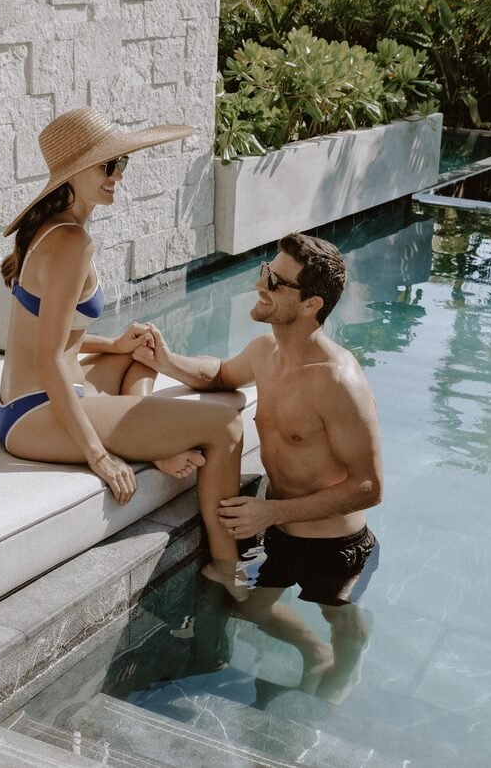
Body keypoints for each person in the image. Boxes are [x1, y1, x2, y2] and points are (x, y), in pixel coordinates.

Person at [0, 106, 245, 589]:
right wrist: (99, 457)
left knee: (137, 352)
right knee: (228, 426)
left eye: (122, 164)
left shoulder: (53, 231)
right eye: (108, 165)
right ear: (71, 175)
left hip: (19, 405)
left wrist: (113, 343)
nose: (118, 176)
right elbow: (48, 359)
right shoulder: (71, 244)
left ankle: (150, 439)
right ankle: (225, 566)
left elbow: (50, 336)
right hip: (38, 414)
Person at [131, 232, 382, 700]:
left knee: (341, 621)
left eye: (274, 281)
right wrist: (165, 360)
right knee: (250, 610)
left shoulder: (338, 381)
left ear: (311, 305)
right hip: (282, 533)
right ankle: (314, 653)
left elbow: (369, 486)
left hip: (337, 545)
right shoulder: (267, 353)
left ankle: (341, 674)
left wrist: (271, 514)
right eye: (265, 271)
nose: (258, 284)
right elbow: (220, 374)